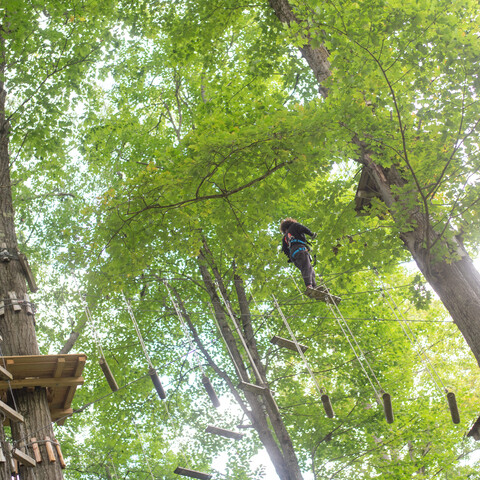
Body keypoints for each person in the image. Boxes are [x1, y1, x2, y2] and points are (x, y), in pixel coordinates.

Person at [280, 218, 318, 294]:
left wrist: (290, 259)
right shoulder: (294, 226)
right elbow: (303, 228)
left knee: (309, 269)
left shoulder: (285, 238)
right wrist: (311, 234)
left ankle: (315, 287)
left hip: (294, 256)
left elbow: (284, 250)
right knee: (307, 268)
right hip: (300, 250)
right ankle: (309, 286)